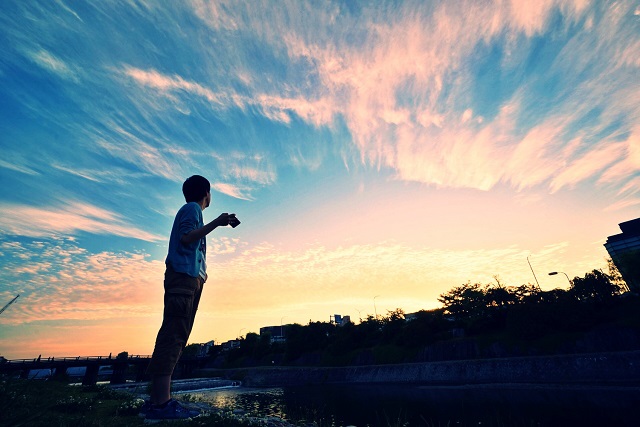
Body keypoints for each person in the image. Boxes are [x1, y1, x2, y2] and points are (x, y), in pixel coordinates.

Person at [143, 175, 239, 420]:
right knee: (174, 335)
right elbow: (186, 237)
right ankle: (161, 405)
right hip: (183, 278)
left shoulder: (192, 210)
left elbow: (189, 239)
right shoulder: (192, 209)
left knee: (176, 334)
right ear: (206, 192)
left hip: (188, 279)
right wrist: (217, 222)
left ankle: (158, 401)